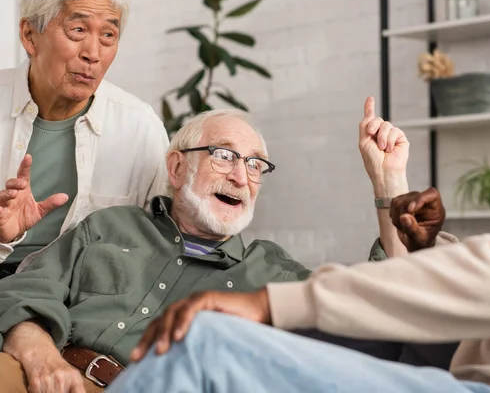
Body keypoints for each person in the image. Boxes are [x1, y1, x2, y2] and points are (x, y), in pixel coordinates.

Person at [111, 39, 490, 393]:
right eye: (224, 156)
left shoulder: (268, 266)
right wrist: (412, 223)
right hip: (464, 370)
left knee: (206, 344)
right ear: (177, 167)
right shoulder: (105, 231)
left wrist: (268, 303)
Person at [0, 109, 314, 393]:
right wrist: (40, 355)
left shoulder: (273, 273)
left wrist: (368, 187)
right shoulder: (110, 225)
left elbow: (356, 316)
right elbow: (23, 291)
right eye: (224, 155)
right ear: (177, 167)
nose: (241, 177)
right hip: (48, 372)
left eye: (255, 164)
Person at [0, 0, 169, 277]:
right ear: (30, 35)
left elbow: (162, 249)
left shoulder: (142, 129)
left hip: (87, 299)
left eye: (108, 35)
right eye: (78, 30)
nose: (93, 53)